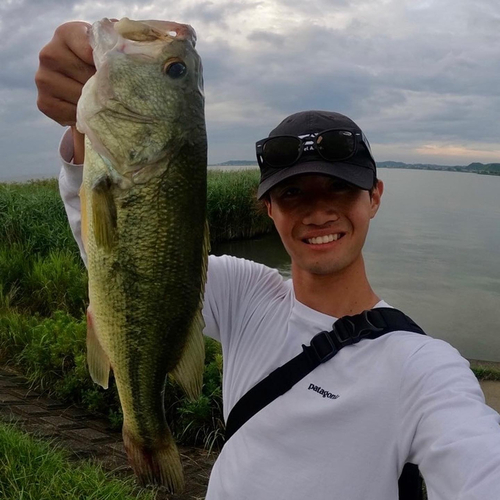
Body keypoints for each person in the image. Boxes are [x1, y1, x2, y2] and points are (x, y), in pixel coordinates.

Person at [36, 21, 500, 500]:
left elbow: (477, 459)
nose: (319, 210)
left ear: (375, 197)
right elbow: (119, 260)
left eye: (340, 187)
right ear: (268, 209)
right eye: (293, 193)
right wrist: (80, 128)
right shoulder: (247, 295)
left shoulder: (424, 367)